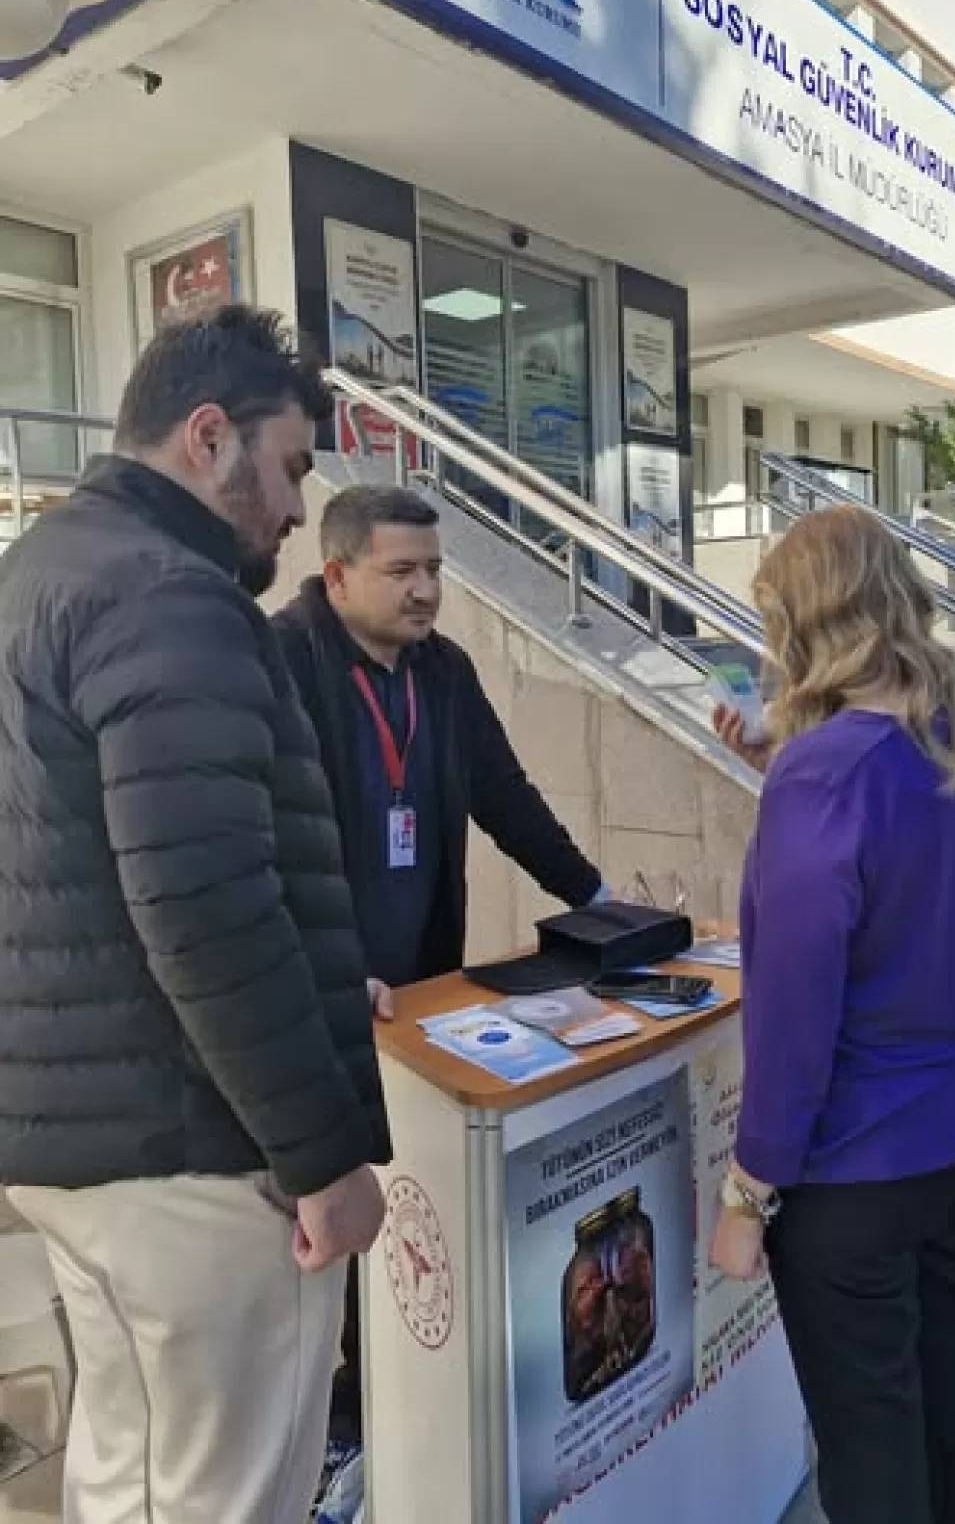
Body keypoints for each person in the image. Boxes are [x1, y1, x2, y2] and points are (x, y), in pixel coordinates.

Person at [0, 306, 393, 1524]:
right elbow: (204, 905)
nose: (293, 508)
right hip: (197, 1159)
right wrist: (324, 1158)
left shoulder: (39, 571)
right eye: (285, 468)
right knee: (231, 1495)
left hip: (73, 1151)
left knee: (127, 1475)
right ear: (207, 437)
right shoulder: (170, 596)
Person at [272, 482, 607, 1456]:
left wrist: (595, 897)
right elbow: (260, 841)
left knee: (402, 1190)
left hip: (419, 990)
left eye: (434, 570)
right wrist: (324, 964)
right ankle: (330, 1414)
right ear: (336, 574)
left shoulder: (445, 673)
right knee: (319, 1204)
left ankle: (385, 1378)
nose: (425, 592)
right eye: (401, 571)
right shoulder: (284, 662)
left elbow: (506, 797)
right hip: (318, 992)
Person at [709, 505, 955, 1524]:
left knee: (869, 1436)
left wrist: (746, 1194)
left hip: (863, 1166)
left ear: (806, 622)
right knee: (947, 1395)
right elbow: (914, 884)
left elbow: (796, 1015)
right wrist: (785, 771)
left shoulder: (824, 774)